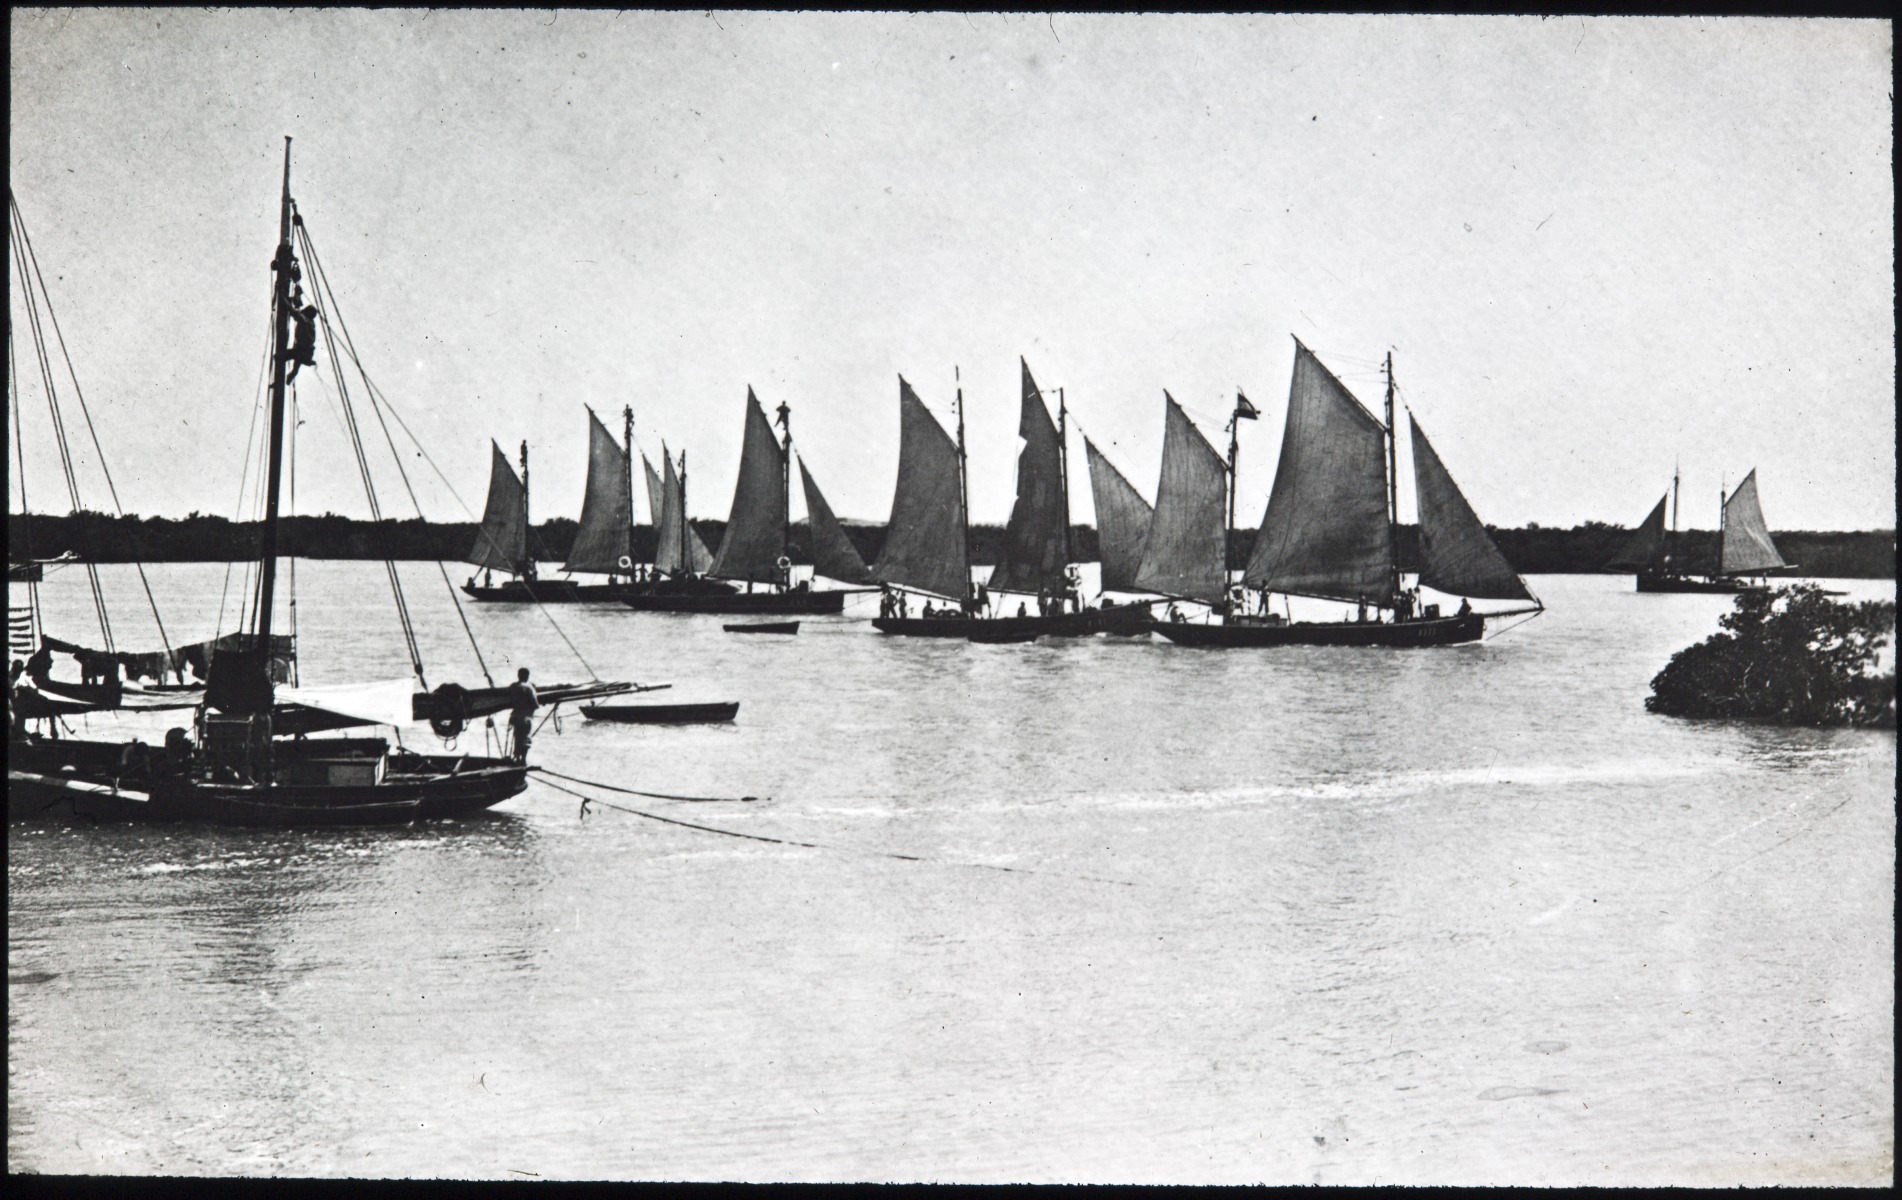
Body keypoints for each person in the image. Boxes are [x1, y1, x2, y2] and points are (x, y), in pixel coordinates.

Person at [507, 667, 538, 765]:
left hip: (515, 716)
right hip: (525, 717)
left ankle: (517, 757)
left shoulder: (513, 686)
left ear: (518, 675)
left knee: (517, 737)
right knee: (525, 739)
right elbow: (535, 704)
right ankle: (523, 760)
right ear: (527, 676)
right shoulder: (529, 687)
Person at [285, 303, 318, 382]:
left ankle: (279, 381)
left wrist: (284, 300)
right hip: (306, 352)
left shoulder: (305, 320)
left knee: (279, 357)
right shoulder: (311, 323)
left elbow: (296, 314)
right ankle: (291, 375)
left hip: (301, 351)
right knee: (296, 364)